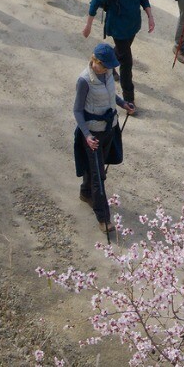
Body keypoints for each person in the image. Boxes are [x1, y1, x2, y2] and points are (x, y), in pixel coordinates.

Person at [72, 41, 133, 238]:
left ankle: (85, 192)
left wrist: (123, 103)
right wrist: (87, 136)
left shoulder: (106, 73)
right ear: (95, 61)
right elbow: (77, 111)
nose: (108, 69)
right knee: (99, 176)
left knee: (96, 167)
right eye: (105, 65)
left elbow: (110, 94)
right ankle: (103, 217)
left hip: (110, 128)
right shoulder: (84, 80)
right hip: (93, 134)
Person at [82, 0, 155, 108]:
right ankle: (129, 98)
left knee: (122, 53)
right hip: (118, 26)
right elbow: (96, 1)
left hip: (133, 24)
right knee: (127, 62)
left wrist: (150, 16)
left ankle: (106, 63)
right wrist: (88, 25)